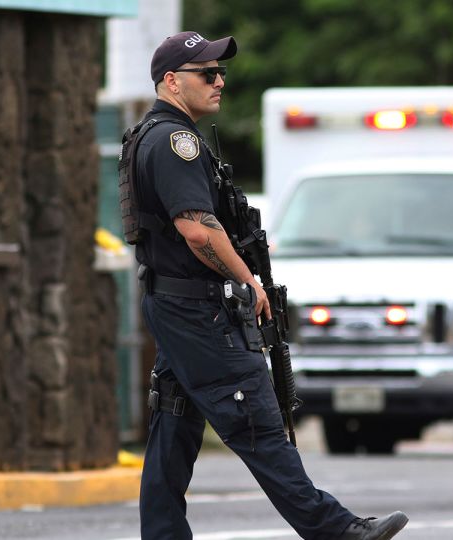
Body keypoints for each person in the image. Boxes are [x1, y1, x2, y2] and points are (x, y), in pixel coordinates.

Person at [134, 31, 410, 540]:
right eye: (207, 73)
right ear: (172, 82)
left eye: (221, 72)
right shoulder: (176, 142)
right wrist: (246, 280)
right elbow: (196, 228)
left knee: (174, 424)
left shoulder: (152, 134)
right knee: (255, 419)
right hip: (196, 310)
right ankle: (335, 531)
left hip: (175, 304)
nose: (220, 82)